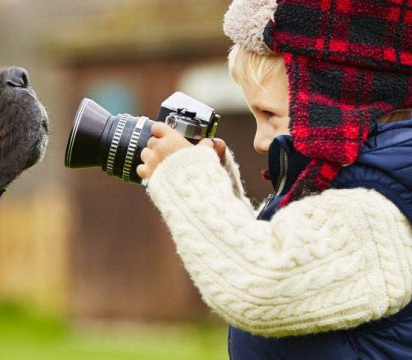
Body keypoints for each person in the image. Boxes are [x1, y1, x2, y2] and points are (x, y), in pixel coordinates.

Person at [136, 0, 412, 358]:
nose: (259, 141)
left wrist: (189, 180)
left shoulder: (377, 213)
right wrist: (222, 193)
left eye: (270, 114)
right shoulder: (369, 189)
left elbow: (262, 285)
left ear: (336, 103)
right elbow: (286, 259)